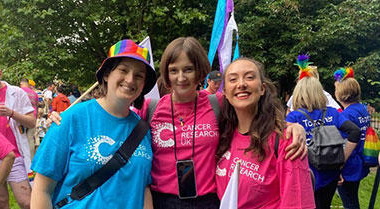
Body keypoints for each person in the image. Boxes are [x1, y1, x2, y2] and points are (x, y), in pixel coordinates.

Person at [51, 37, 307, 209]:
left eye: (188, 69)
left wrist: (290, 126)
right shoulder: (150, 109)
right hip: (163, 201)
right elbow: (113, 120)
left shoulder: (218, 103)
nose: (181, 77)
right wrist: (62, 118)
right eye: (174, 70)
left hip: (207, 200)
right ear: (166, 73)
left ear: (200, 72)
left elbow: (250, 105)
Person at [30, 39, 157, 209]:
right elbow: (42, 189)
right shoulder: (71, 119)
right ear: (106, 74)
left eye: (139, 75)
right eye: (123, 70)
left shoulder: (142, 130)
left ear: (143, 84)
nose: (130, 79)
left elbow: (143, 189)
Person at [216, 57, 315, 209]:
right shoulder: (223, 134)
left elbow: (299, 203)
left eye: (249, 77)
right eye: (233, 79)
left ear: (262, 88)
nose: (241, 84)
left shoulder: (287, 140)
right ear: (225, 93)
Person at [286, 56, 360, 209]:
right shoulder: (333, 113)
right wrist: (341, 160)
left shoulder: (294, 117)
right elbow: (354, 132)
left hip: (305, 175)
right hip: (330, 174)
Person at [334, 67, 371, 209]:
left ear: (341, 95)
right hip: (361, 162)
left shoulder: (346, 115)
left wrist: (338, 169)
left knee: (349, 202)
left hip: (349, 167)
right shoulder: (362, 109)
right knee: (352, 199)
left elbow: (344, 144)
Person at [0, 69, 36, 209]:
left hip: (15, 154)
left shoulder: (17, 92)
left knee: (26, 202)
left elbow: (31, 122)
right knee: (1, 202)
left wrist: (12, 113)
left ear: (0, 73)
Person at [20, 78, 39, 159]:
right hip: (32, 118)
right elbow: (37, 106)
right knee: (30, 139)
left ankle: (22, 158)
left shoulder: (18, 91)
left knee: (20, 138)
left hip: (21, 118)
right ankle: (30, 159)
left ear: (21, 83)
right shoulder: (34, 93)